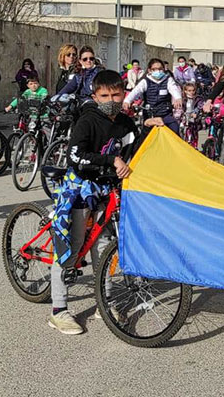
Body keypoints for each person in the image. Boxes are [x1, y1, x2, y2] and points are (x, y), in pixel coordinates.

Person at [47, 70, 162, 335]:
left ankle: (106, 303)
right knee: (71, 246)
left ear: (124, 93)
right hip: (79, 190)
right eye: (104, 95)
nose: (111, 99)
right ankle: (58, 310)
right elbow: (76, 157)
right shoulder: (87, 121)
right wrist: (110, 160)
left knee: (104, 246)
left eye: (116, 94)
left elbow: (133, 151)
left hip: (107, 191)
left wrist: (150, 130)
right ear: (95, 96)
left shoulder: (125, 122)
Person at [123, 58, 183, 134]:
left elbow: (174, 89)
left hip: (165, 114)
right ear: (149, 70)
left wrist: (178, 98)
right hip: (150, 114)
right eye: (154, 69)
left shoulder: (168, 79)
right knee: (147, 136)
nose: (157, 71)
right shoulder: (145, 81)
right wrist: (127, 101)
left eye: (160, 69)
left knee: (174, 128)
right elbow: (136, 91)